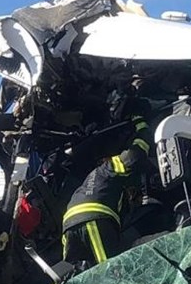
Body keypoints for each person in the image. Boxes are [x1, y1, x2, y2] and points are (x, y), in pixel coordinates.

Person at [62, 110, 152, 268]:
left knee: (77, 273)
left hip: (70, 224)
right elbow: (134, 156)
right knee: (109, 272)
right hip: (92, 217)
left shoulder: (91, 180)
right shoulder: (108, 168)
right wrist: (143, 128)